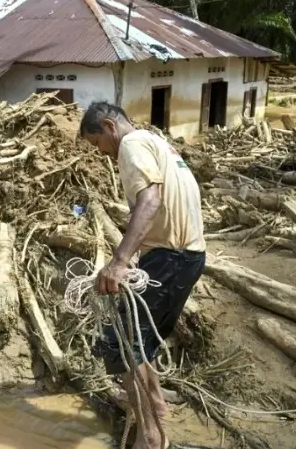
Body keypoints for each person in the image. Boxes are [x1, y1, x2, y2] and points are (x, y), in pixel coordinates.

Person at [78, 101, 206, 449]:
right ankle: (157, 401)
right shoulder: (156, 142)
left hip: (172, 257)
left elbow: (150, 202)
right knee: (139, 339)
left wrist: (120, 261)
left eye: (97, 143)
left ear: (108, 126)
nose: (101, 152)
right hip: (186, 256)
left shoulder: (131, 146)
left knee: (120, 344)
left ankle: (151, 438)